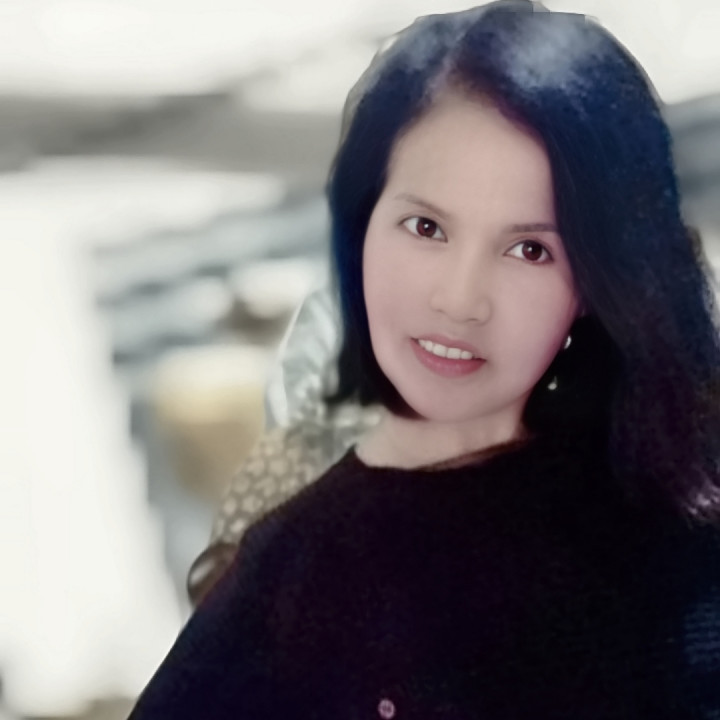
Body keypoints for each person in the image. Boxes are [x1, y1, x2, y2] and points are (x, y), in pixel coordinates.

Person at [128, 1, 720, 717]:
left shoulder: (682, 507)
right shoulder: (289, 587)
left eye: (529, 249)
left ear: (596, 282)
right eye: (426, 227)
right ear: (361, 225)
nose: (461, 299)